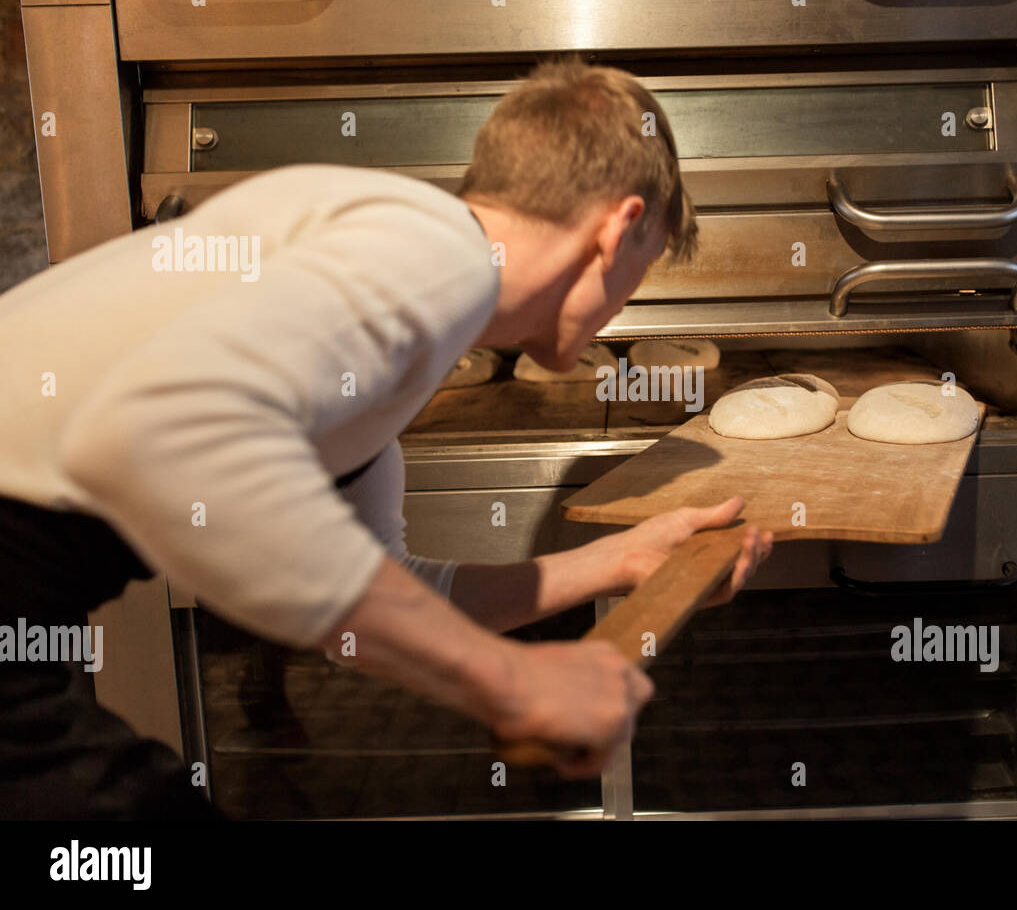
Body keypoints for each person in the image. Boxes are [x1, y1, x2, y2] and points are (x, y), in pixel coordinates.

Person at [0, 58, 773, 819]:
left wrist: (615, 562)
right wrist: (510, 681)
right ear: (619, 229)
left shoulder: (393, 307)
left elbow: (385, 610)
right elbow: (166, 425)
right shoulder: (437, 253)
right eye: (641, 274)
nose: (622, 308)